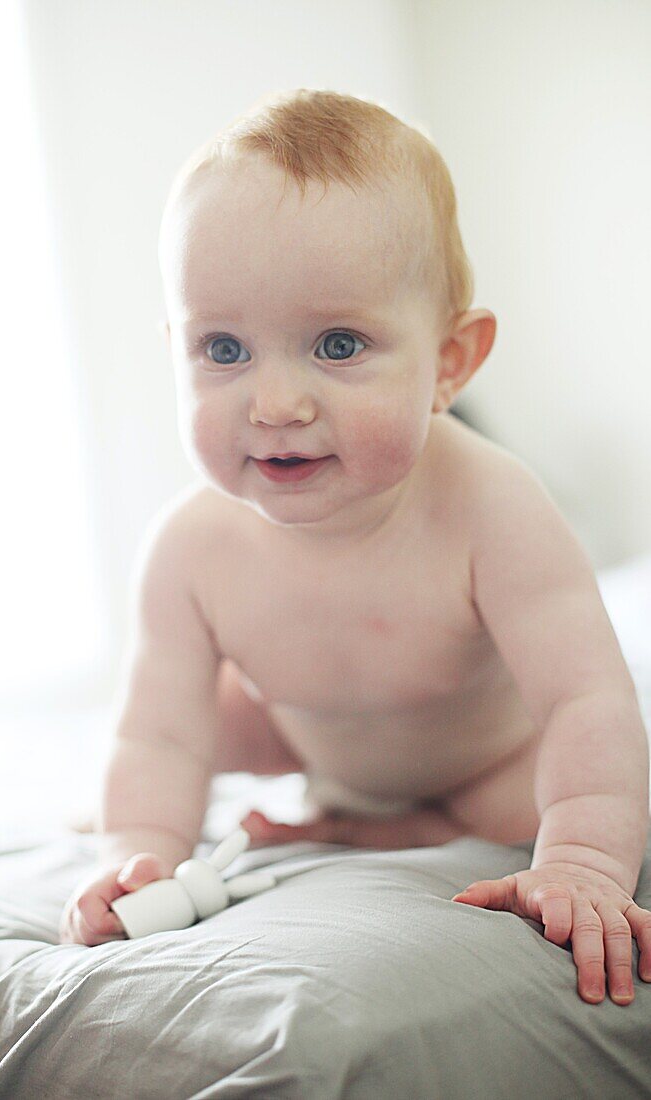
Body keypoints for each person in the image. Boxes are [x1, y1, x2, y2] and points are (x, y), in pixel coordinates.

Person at [59, 89, 650, 1006]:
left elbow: (585, 697)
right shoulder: (190, 547)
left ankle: (404, 823)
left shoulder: (492, 507)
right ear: (172, 347)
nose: (275, 403)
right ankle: (347, 813)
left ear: (449, 364)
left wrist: (579, 860)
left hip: (483, 756)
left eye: (337, 344)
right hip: (305, 730)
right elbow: (160, 734)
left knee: (548, 798)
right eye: (223, 349)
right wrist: (139, 851)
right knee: (180, 725)